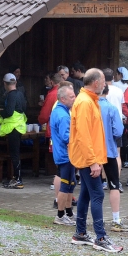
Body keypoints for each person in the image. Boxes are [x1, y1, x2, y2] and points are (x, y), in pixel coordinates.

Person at [69, 69, 122, 252]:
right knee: (98, 195)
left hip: (89, 157)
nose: (106, 84)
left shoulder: (90, 100)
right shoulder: (85, 102)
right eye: (104, 82)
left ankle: (81, 233)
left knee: (85, 193)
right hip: (87, 158)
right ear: (96, 83)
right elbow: (84, 136)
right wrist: (93, 161)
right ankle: (100, 237)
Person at [99, 83, 128, 232]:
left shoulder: (89, 106)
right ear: (107, 91)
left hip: (92, 152)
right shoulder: (111, 108)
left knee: (91, 187)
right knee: (114, 186)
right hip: (109, 151)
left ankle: (91, 220)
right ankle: (116, 220)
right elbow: (118, 131)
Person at [51, 84, 77, 226]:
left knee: (71, 183)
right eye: (71, 97)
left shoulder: (60, 111)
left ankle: (69, 212)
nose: (74, 99)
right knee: (66, 185)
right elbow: (67, 137)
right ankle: (60, 216)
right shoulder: (63, 115)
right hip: (65, 155)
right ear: (62, 99)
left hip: (64, 154)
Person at [0, 73, 27, 189]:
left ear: (5, 84)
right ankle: (16, 177)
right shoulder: (20, 94)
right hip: (20, 126)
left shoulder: (10, 95)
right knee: (16, 153)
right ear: (15, 83)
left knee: (14, 154)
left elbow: (9, 112)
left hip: (13, 127)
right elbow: (24, 108)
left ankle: (18, 180)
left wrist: (0, 112)